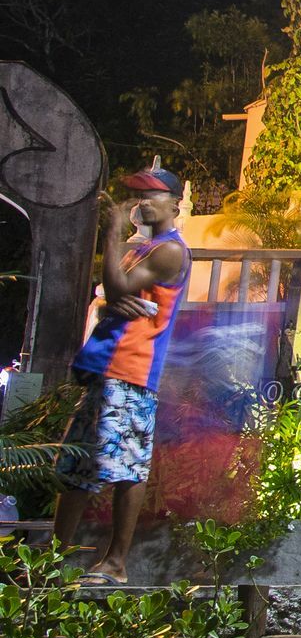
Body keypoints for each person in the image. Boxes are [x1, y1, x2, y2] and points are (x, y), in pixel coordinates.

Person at [52, 168, 190, 584]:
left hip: (130, 371)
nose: (141, 203)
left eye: (152, 195)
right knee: (75, 464)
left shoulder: (169, 252)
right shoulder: (143, 250)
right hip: (105, 366)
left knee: (126, 465)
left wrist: (111, 233)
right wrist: (112, 300)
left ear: (176, 205)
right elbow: (110, 295)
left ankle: (116, 562)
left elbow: (115, 289)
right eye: (137, 195)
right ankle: (52, 560)